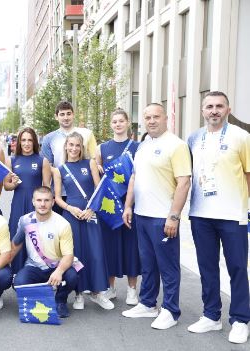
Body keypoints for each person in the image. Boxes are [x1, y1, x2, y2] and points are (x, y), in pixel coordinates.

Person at [186, 91, 250, 344]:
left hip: (232, 214)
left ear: (228, 109)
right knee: (207, 267)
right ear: (202, 110)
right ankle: (211, 315)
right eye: (209, 106)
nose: (214, 110)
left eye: (219, 106)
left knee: (237, 268)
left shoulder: (242, 137)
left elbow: (248, 174)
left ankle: (241, 319)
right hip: (201, 215)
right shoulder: (193, 138)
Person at [121, 103, 191, 330]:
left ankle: (171, 310)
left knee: (168, 266)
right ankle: (148, 303)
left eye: (156, 117)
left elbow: (184, 182)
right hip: (141, 214)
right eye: (147, 117)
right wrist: (128, 206)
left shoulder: (176, 145)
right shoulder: (143, 146)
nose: (151, 121)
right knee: (148, 263)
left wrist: (174, 216)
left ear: (166, 118)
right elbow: (134, 177)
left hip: (162, 217)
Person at [52, 132, 113, 310]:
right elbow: (57, 198)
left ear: (82, 147)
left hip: (90, 213)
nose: (73, 148)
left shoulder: (90, 163)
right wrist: (70, 209)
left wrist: (92, 209)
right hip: (71, 214)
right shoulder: (60, 169)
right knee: (76, 254)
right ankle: (78, 293)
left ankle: (97, 292)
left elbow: (99, 188)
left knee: (95, 252)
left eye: (77, 145)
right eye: (70, 145)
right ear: (65, 146)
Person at [95, 109, 141, 305]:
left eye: (121, 121)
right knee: (110, 246)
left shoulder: (138, 147)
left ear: (128, 122)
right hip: (110, 204)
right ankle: (111, 287)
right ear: (110, 124)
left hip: (130, 202)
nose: (118, 124)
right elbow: (97, 172)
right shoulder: (102, 148)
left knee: (131, 247)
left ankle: (132, 290)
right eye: (114, 121)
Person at [11, 186, 78, 318]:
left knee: (72, 277)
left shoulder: (62, 224)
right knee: (18, 283)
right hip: (34, 266)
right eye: (39, 200)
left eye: (46, 200)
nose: (42, 204)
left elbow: (68, 256)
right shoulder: (25, 220)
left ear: (53, 202)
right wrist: (6, 264)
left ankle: (60, 300)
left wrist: (59, 272)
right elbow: (15, 244)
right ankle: (40, 298)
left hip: (56, 266)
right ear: (33, 201)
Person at [4, 127, 51, 273]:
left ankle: (37, 275)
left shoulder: (42, 161)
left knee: (37, 239)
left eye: (30, 140)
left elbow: (47, 188)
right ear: (18, 142)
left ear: (35, 142)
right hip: (18, 204)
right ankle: (17, 274)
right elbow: (6, 186)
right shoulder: (12, 160)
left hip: (37, 206)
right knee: (17, 237)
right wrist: (14, 183)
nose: (26, 143)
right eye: (23, 140)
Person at [41, 101, 97, 168]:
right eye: (62, 114)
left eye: (68, 114)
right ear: (56, 117)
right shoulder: (48, 138)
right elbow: (47, 167)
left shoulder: (87, 134)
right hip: (59, 177)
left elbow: (95, 159)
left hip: (84, 176)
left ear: (73, 115)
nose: (66, 118)